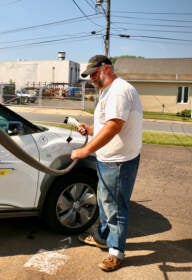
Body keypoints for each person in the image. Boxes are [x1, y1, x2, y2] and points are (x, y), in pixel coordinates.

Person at [71, 55, 143, 272]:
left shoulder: (119, 90)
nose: (91, 78)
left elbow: (114, 126)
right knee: (105, 202)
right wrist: (90, 129)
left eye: (94, 73)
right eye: (89, 74)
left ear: (107, 68)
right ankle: (102, 236)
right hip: (108, 160)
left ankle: (116, 252)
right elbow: (105, 123)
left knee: (116, 207)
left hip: (119, 162)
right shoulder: (108, 91)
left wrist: (85, 150)